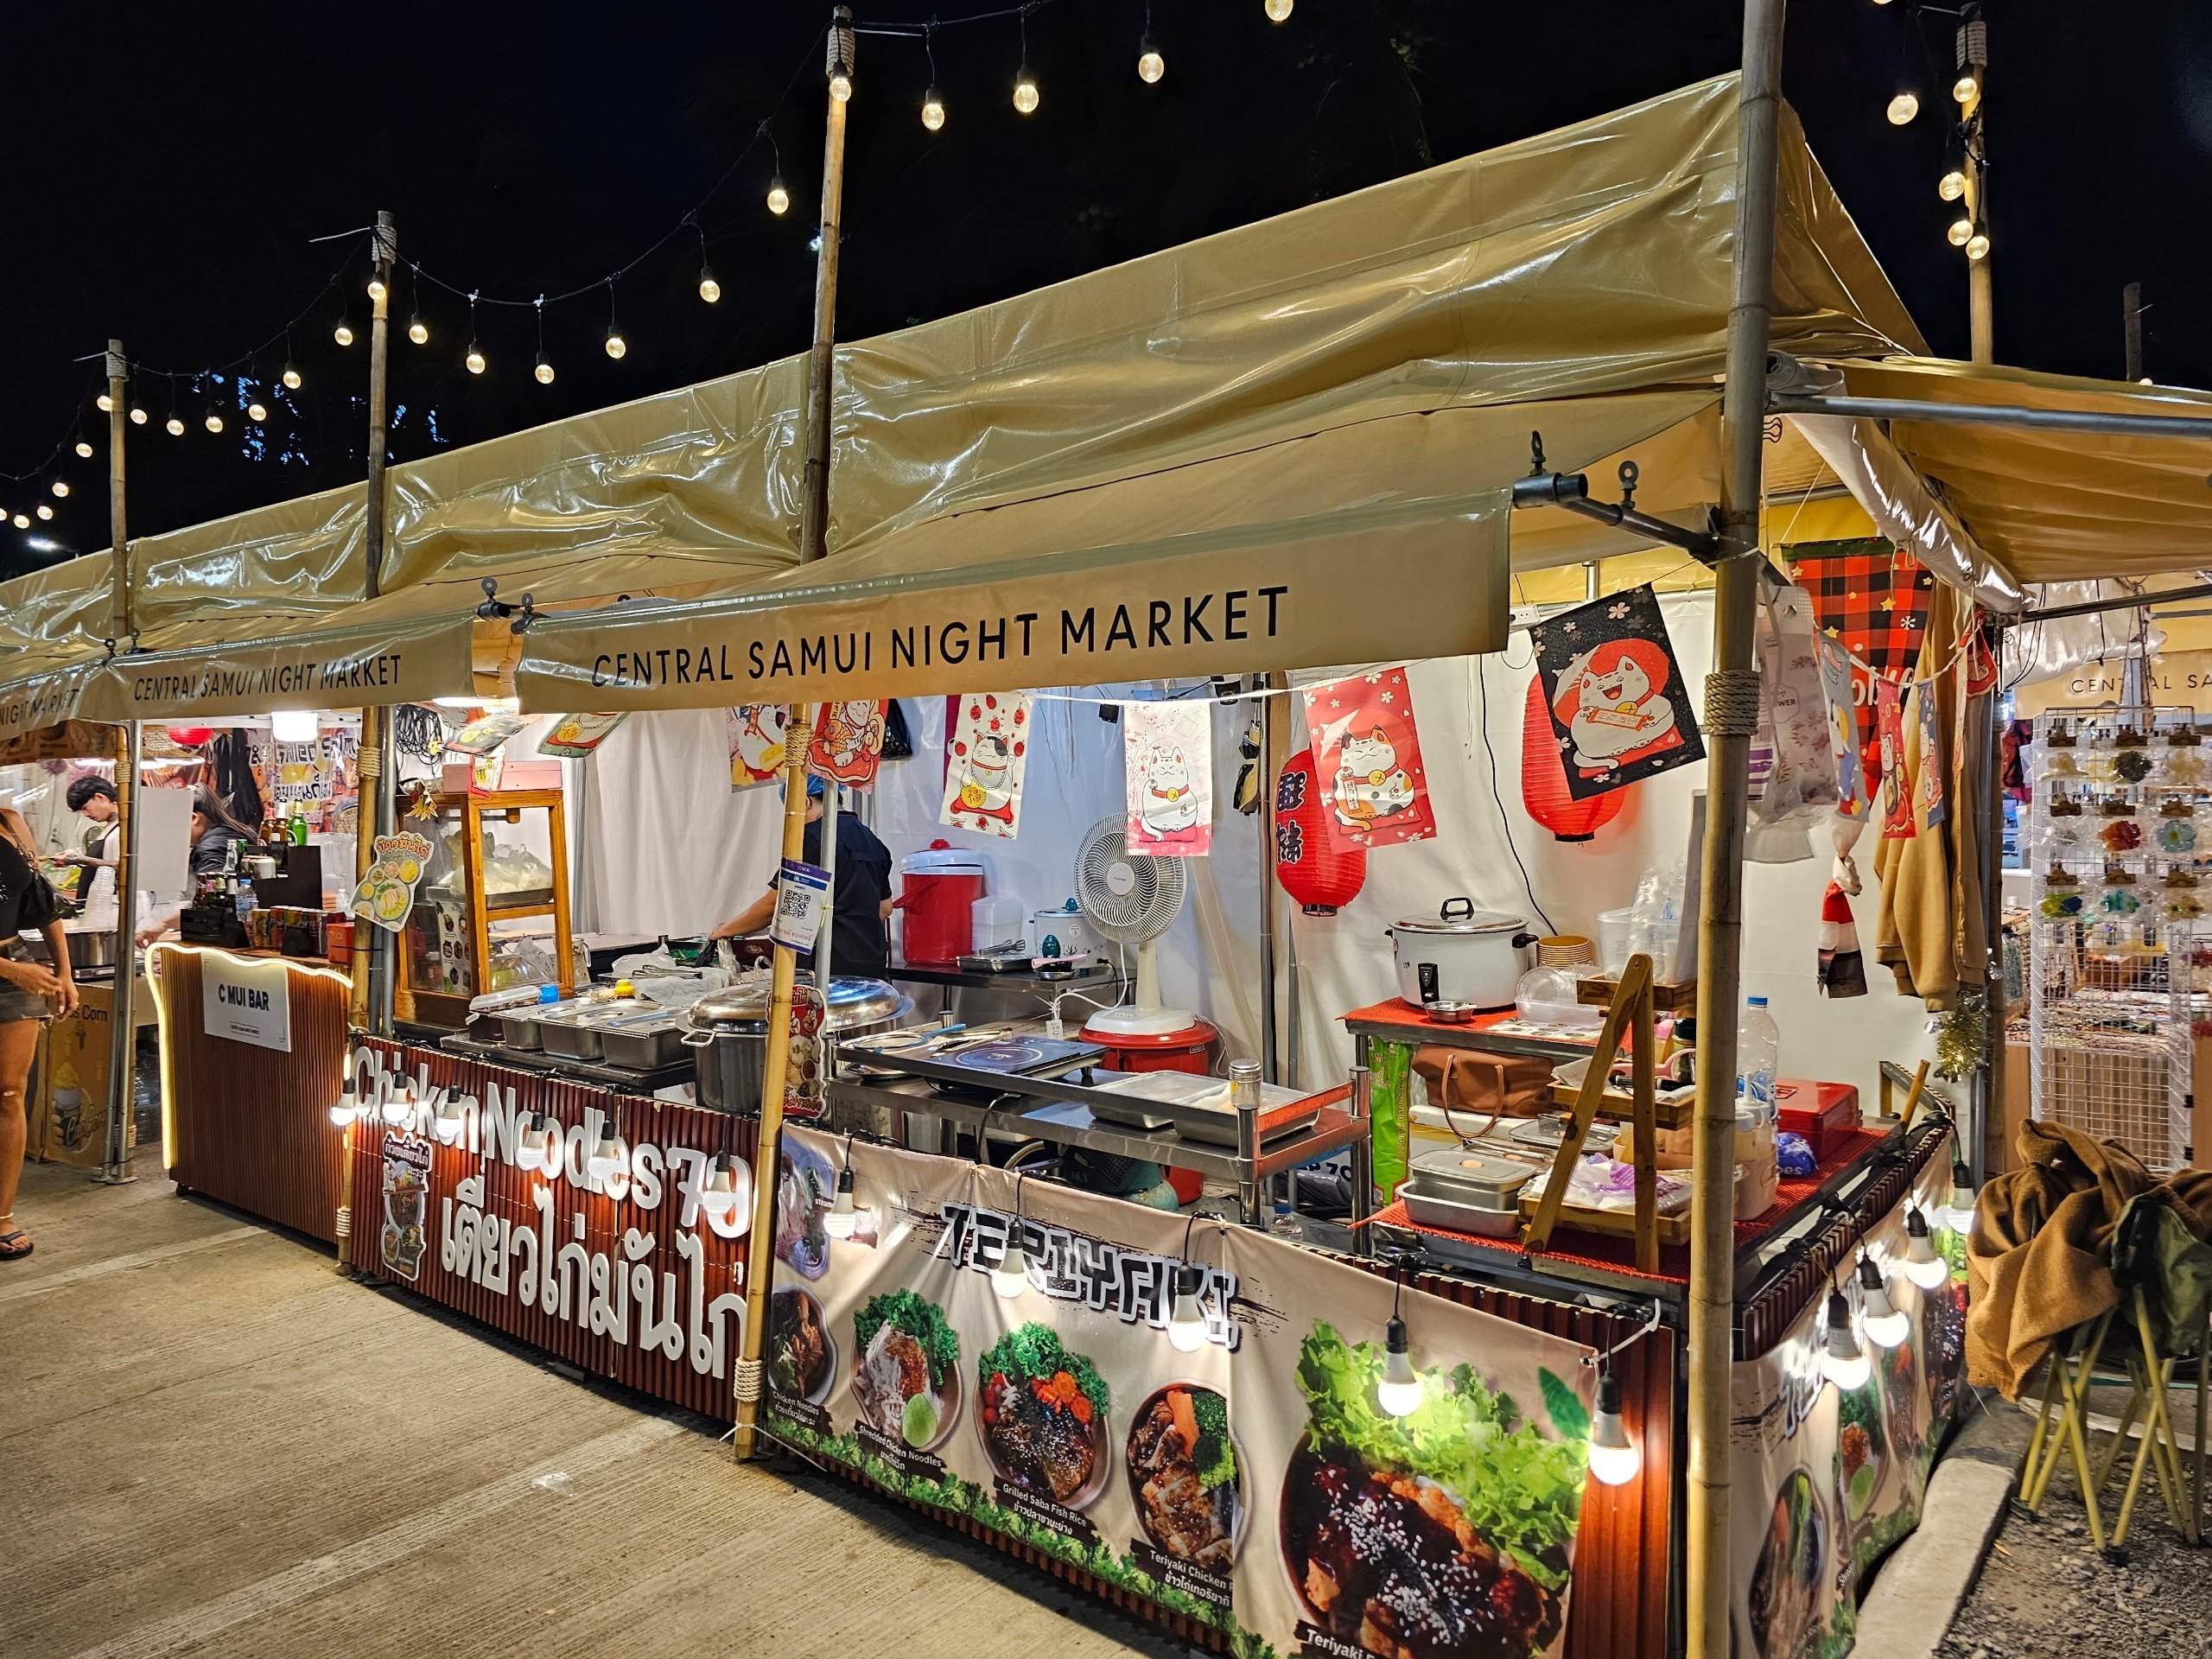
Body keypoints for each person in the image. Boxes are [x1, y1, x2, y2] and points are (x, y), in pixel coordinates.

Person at [711, 777, 894, 976]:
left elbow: (774, 904)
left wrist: (725, 930)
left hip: (828, 967)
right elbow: (885, 908)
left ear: (806, 802)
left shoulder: (816, 837)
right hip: (871, 965)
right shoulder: (874, 842)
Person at [1, 799, 76, 1262]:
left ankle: (1, 1216)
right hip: (11, 971)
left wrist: (65, 971)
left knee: (10, 1093)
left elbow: (43, 903)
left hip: (13, 966)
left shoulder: (9, 822)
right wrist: (12, 970)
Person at [134, 791, 258, 947]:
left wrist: (164, 924)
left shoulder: (210, 848)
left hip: (228, 938)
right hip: (250, 931)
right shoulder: (238, 833)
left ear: (194, 818)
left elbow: (211, 903)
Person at [58, 775, 121, 930]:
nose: (86, 815)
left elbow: (121, 866)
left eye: (85, 808)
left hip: (113, 910)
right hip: (98, 909)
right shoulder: (108, 827)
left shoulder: (123, 829)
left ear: (100, 797)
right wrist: (75, 857)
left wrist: (80, 859)